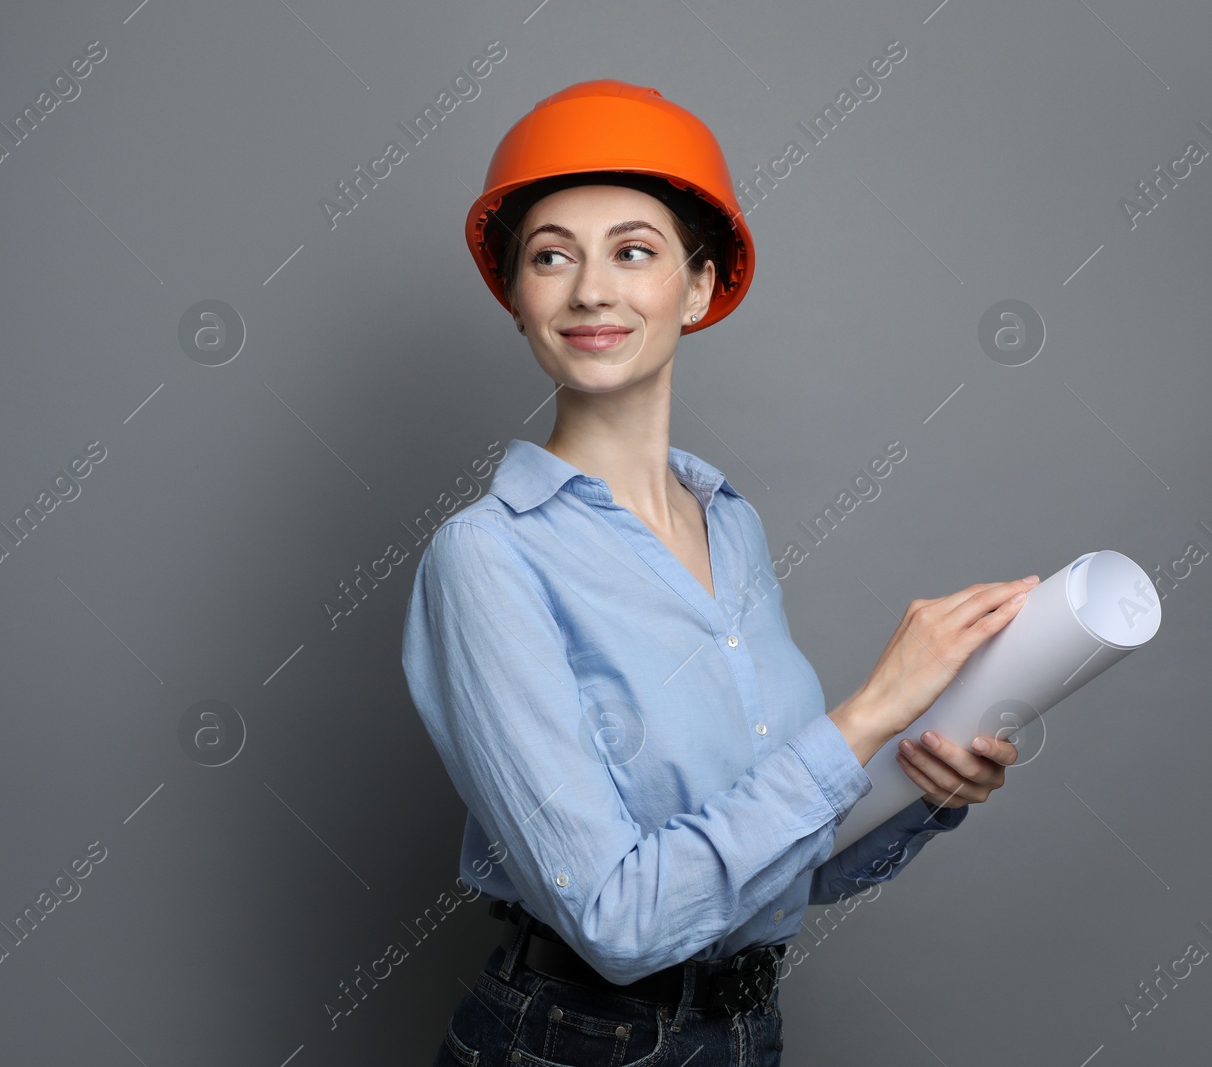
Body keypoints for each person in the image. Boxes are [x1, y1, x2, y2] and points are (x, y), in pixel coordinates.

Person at [400, 79, 1035, 1066]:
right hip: (572, 1041)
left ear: (697, 288)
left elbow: (775, 869)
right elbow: (620, 918)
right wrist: (867, 710)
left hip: (744, 1030)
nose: (590, 289)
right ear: (517, 296)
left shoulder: (729, 525)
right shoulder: (485, 554)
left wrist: (921, 779)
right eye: (550, 255)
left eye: (633, 251)